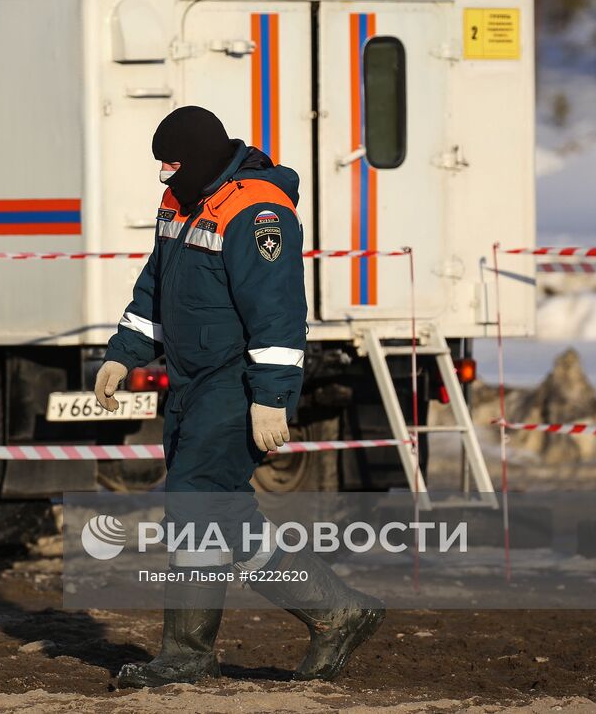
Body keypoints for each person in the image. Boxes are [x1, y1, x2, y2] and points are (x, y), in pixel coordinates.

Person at [94, 106, 384, 687]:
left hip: (235, 381)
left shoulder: (258, 211)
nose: (162, 177)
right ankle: (335, 613)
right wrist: (123, 351)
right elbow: (155, 285)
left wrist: (271, 398)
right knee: (216, 513)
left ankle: (188, 654)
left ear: (198, 157)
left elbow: (278, 313)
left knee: (198, 501)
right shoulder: (181, 199)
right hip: (191, 383)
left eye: (170, 165)